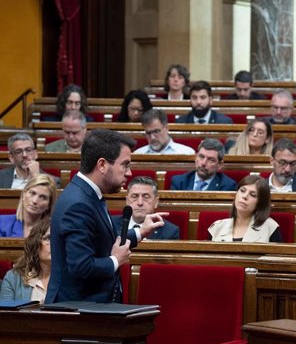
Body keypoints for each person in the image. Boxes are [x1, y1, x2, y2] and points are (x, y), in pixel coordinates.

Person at [45, 129, 167, 303]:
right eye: (125, 164)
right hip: (77, 313)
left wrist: (140, 232)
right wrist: (115, 260)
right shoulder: (78, 203)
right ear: (102, 165)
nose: (129, 173)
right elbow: (81, 266)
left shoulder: (87, 194)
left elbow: (100, 242)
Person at [207, 175, 282, 242]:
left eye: (253, 195)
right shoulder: (217, 227)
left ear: (260, 202)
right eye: (242, 191)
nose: (245, 196)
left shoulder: (270, 228)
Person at [0, 217, 52, 303]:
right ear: (35, 243)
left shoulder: (73, 279)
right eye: (48, 238)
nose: (55, 243)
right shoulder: (14, 278)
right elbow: (6, 315)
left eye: (58, 239)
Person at [111, 176, 179, 240]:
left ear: (156, 202)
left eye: (146, 197)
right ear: (127, 201)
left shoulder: (170, 231)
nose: (140, 203)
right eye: (134, 197)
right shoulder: (111, 224)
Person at [170, 138, 238, 191]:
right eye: (201, 157)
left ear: (220, 165)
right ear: (196, 157)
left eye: (211, 160)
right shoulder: (179, 181)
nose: (203, 163)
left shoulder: (227, 186)